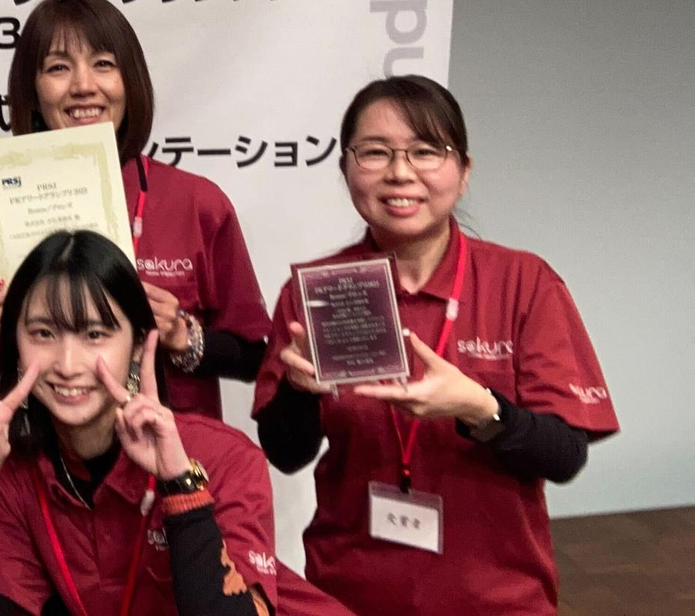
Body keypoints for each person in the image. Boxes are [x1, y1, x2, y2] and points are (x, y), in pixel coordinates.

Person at [254, 75, 619, 616]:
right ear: (346, 169)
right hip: (348, 594)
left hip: (496, 598)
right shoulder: (318, 292)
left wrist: (480, 408)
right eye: (375, 152)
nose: (400, 172)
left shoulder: (524, 283)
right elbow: (286, 455)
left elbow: (565, 456)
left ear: (464, 171)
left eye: (426, 151)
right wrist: (298, 391)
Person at [0, 229, 353, 616]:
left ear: (137, 345)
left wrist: (179, 483)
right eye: (43, 334)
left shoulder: (222, 457)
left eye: (95, 334)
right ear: (14, 345)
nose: (67, 364)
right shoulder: (15, 477)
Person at [0, 0, 269, 420]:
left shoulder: (197, 202)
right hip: (49, 452)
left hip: (176, 447)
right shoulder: (7, 203)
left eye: (103, 64)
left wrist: (182, 335)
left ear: (131, 80)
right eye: (58, 68)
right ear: (32, 90)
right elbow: (7, 364)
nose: (83, 85)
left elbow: (254, 357)